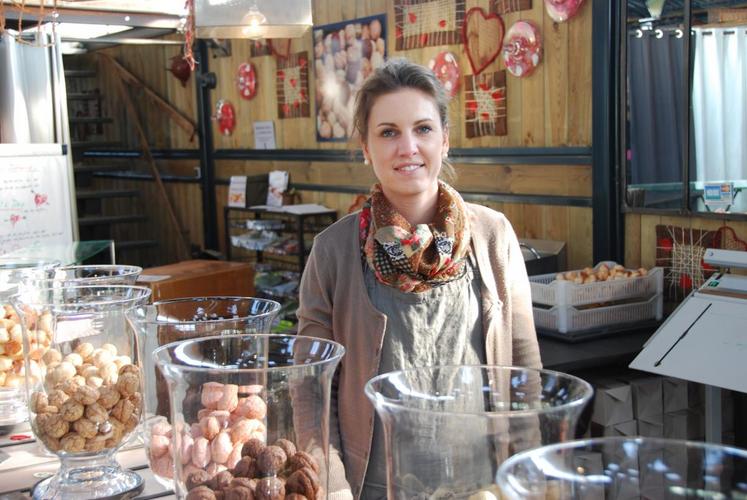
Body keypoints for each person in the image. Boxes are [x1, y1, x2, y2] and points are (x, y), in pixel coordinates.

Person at [297, 58, 541, 499]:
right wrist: (331, 487)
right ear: (366, 147)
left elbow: (524, 365)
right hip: (373, 487)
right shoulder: (332, 251)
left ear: (445, 140)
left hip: (482, 483)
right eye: (388, 132)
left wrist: (528, 474)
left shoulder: (493, 235)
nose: (407, 146)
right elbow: (311, 389)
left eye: (423, 129)